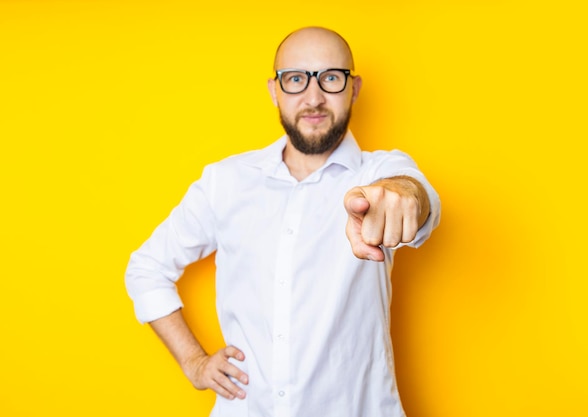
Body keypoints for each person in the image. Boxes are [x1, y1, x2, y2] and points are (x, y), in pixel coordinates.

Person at [125, 26, 441, 417]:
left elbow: (416, 196)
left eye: (330, 78)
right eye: (295, 79)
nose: (313, 98)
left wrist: (401, 196)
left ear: (354, 88)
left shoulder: (379, 171)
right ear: (274, 90)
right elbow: (146, 269)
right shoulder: (225, 182)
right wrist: (194, 362)